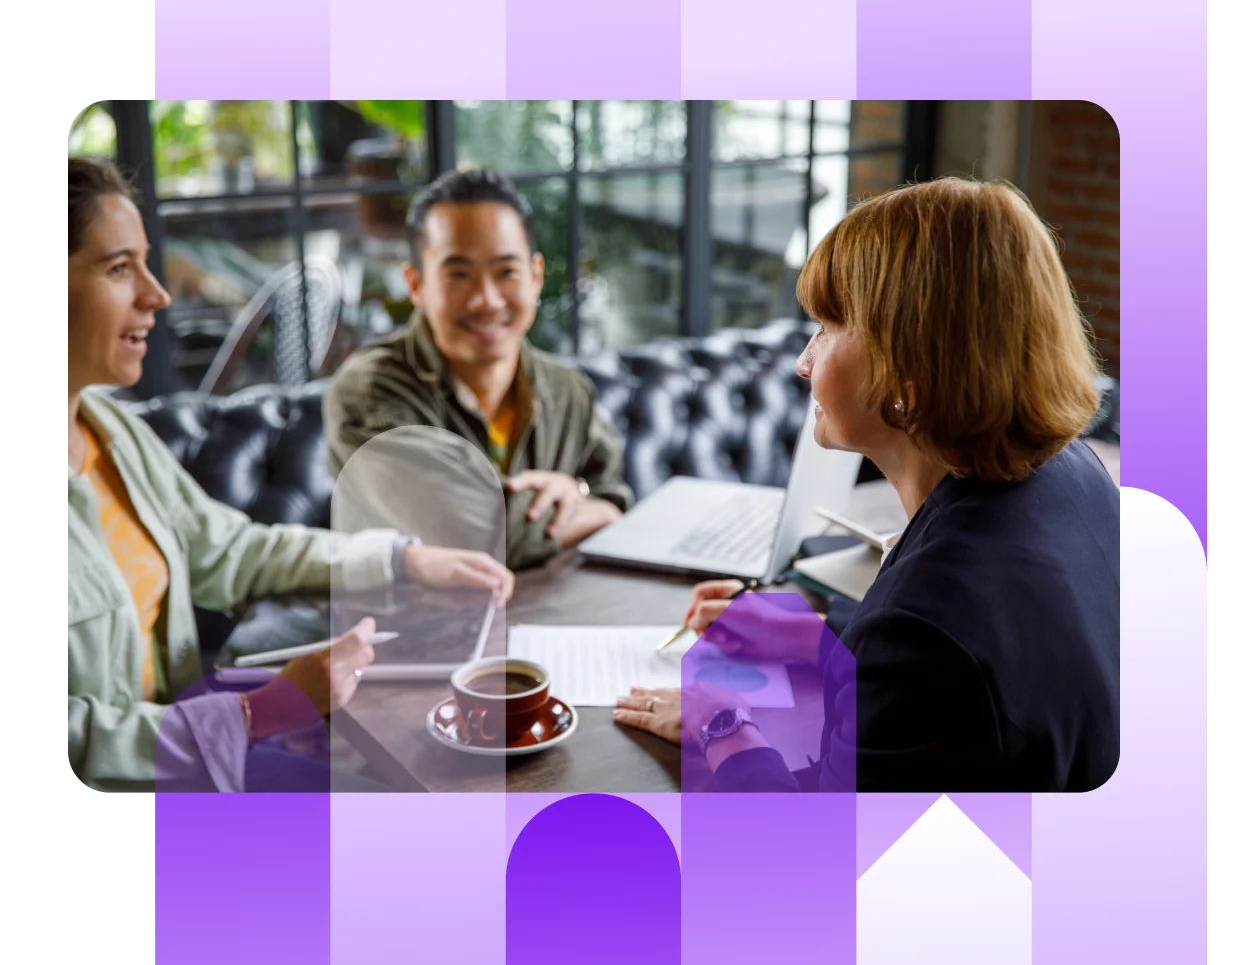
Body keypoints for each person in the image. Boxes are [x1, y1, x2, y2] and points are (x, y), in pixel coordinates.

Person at [615, 177, 1120, 794]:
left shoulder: (926, 634)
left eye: (826, 328)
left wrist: (723, 726)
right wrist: (808, 636)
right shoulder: (1075, 474)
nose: (804, 361)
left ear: (909, 370)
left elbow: (819, 863)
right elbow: (956, 668)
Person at [64, 157, 514, 797]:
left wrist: (402, 559)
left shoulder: (110, 430)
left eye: (144, 262)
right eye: (118, 268)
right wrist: (253, 714)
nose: (157, 293)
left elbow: (232, 550)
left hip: (199, 763)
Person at [324, 168, 633, 570]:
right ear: (416, 284)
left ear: (536, 276)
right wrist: (593, 514)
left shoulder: (568, 388)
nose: (486, 300)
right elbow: (472, 534)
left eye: (506, 271)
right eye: (458, 275)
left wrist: (586, 494)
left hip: (553, 621)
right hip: (408, 627)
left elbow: (613, 495)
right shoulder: (370, 390)